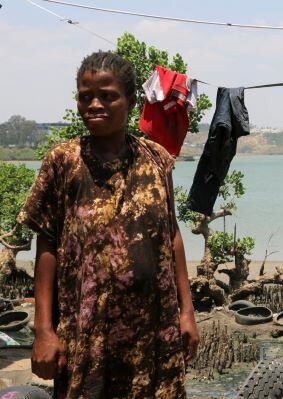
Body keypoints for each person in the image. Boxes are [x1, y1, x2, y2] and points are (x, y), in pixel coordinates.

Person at [18, 51, 199, 398]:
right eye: (85, 97)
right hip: (87, 332)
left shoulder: (156, 159)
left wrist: (186, 312)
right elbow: (47, 245)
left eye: (108, 96)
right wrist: (43, 330)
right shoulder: (63, 162)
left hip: (154, 331)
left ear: (131, 100)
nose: (95, 105)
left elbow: (171, 234)